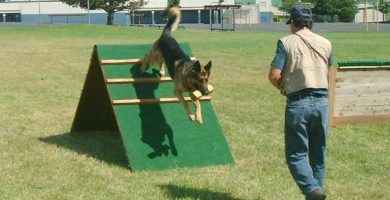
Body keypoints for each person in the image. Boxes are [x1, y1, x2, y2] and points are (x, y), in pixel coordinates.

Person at [268, 4, 334, 200]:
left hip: (298, 102)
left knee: (296, 156)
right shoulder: (326, 43)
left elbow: (273, 75)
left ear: (293, 23)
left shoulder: (286, 42)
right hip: (322, 102)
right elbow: (330, 72)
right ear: (310, 23)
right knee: (318, 155)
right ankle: (316, 192)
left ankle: (312, 191)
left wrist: (282, 87)